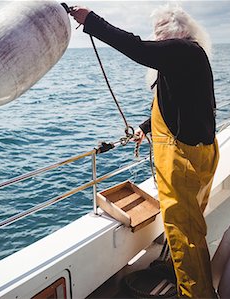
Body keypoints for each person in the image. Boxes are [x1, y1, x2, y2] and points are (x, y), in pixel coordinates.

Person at [70, 4, 219, 298]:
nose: (156, 39)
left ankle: (197, 294)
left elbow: (136, 48)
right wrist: (145, 127)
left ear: (173, 34)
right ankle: (180, 271)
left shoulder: (181, 51)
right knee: (190, 226)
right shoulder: (189, 57)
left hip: (183, 160)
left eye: (159, 33)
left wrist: (92, 22)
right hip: (201, 154)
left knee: (185, 233)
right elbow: (181, 104)